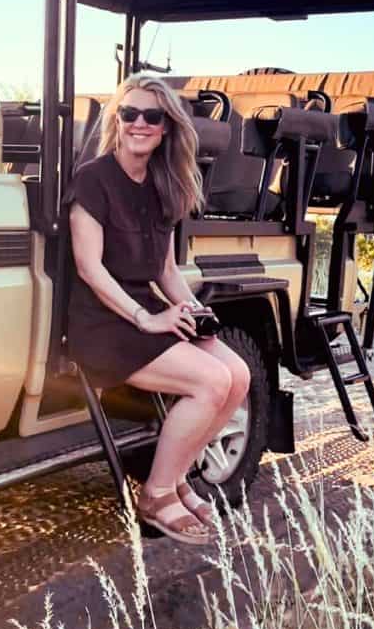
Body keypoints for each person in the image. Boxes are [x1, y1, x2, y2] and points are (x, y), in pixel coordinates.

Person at [65, 74, 251, 546]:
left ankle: (179, 475)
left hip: (146, 312)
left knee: (238, 376)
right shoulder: (94, 178)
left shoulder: (164, 184)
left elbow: (166, 269)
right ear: (117, 120)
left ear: (167, 126)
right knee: (210, 382)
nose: (139, 123)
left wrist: (189, 309)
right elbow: (90, 269)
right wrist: (147, 318)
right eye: (129, 113)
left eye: (152, 116)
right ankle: (157, 494)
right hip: (103, 321)